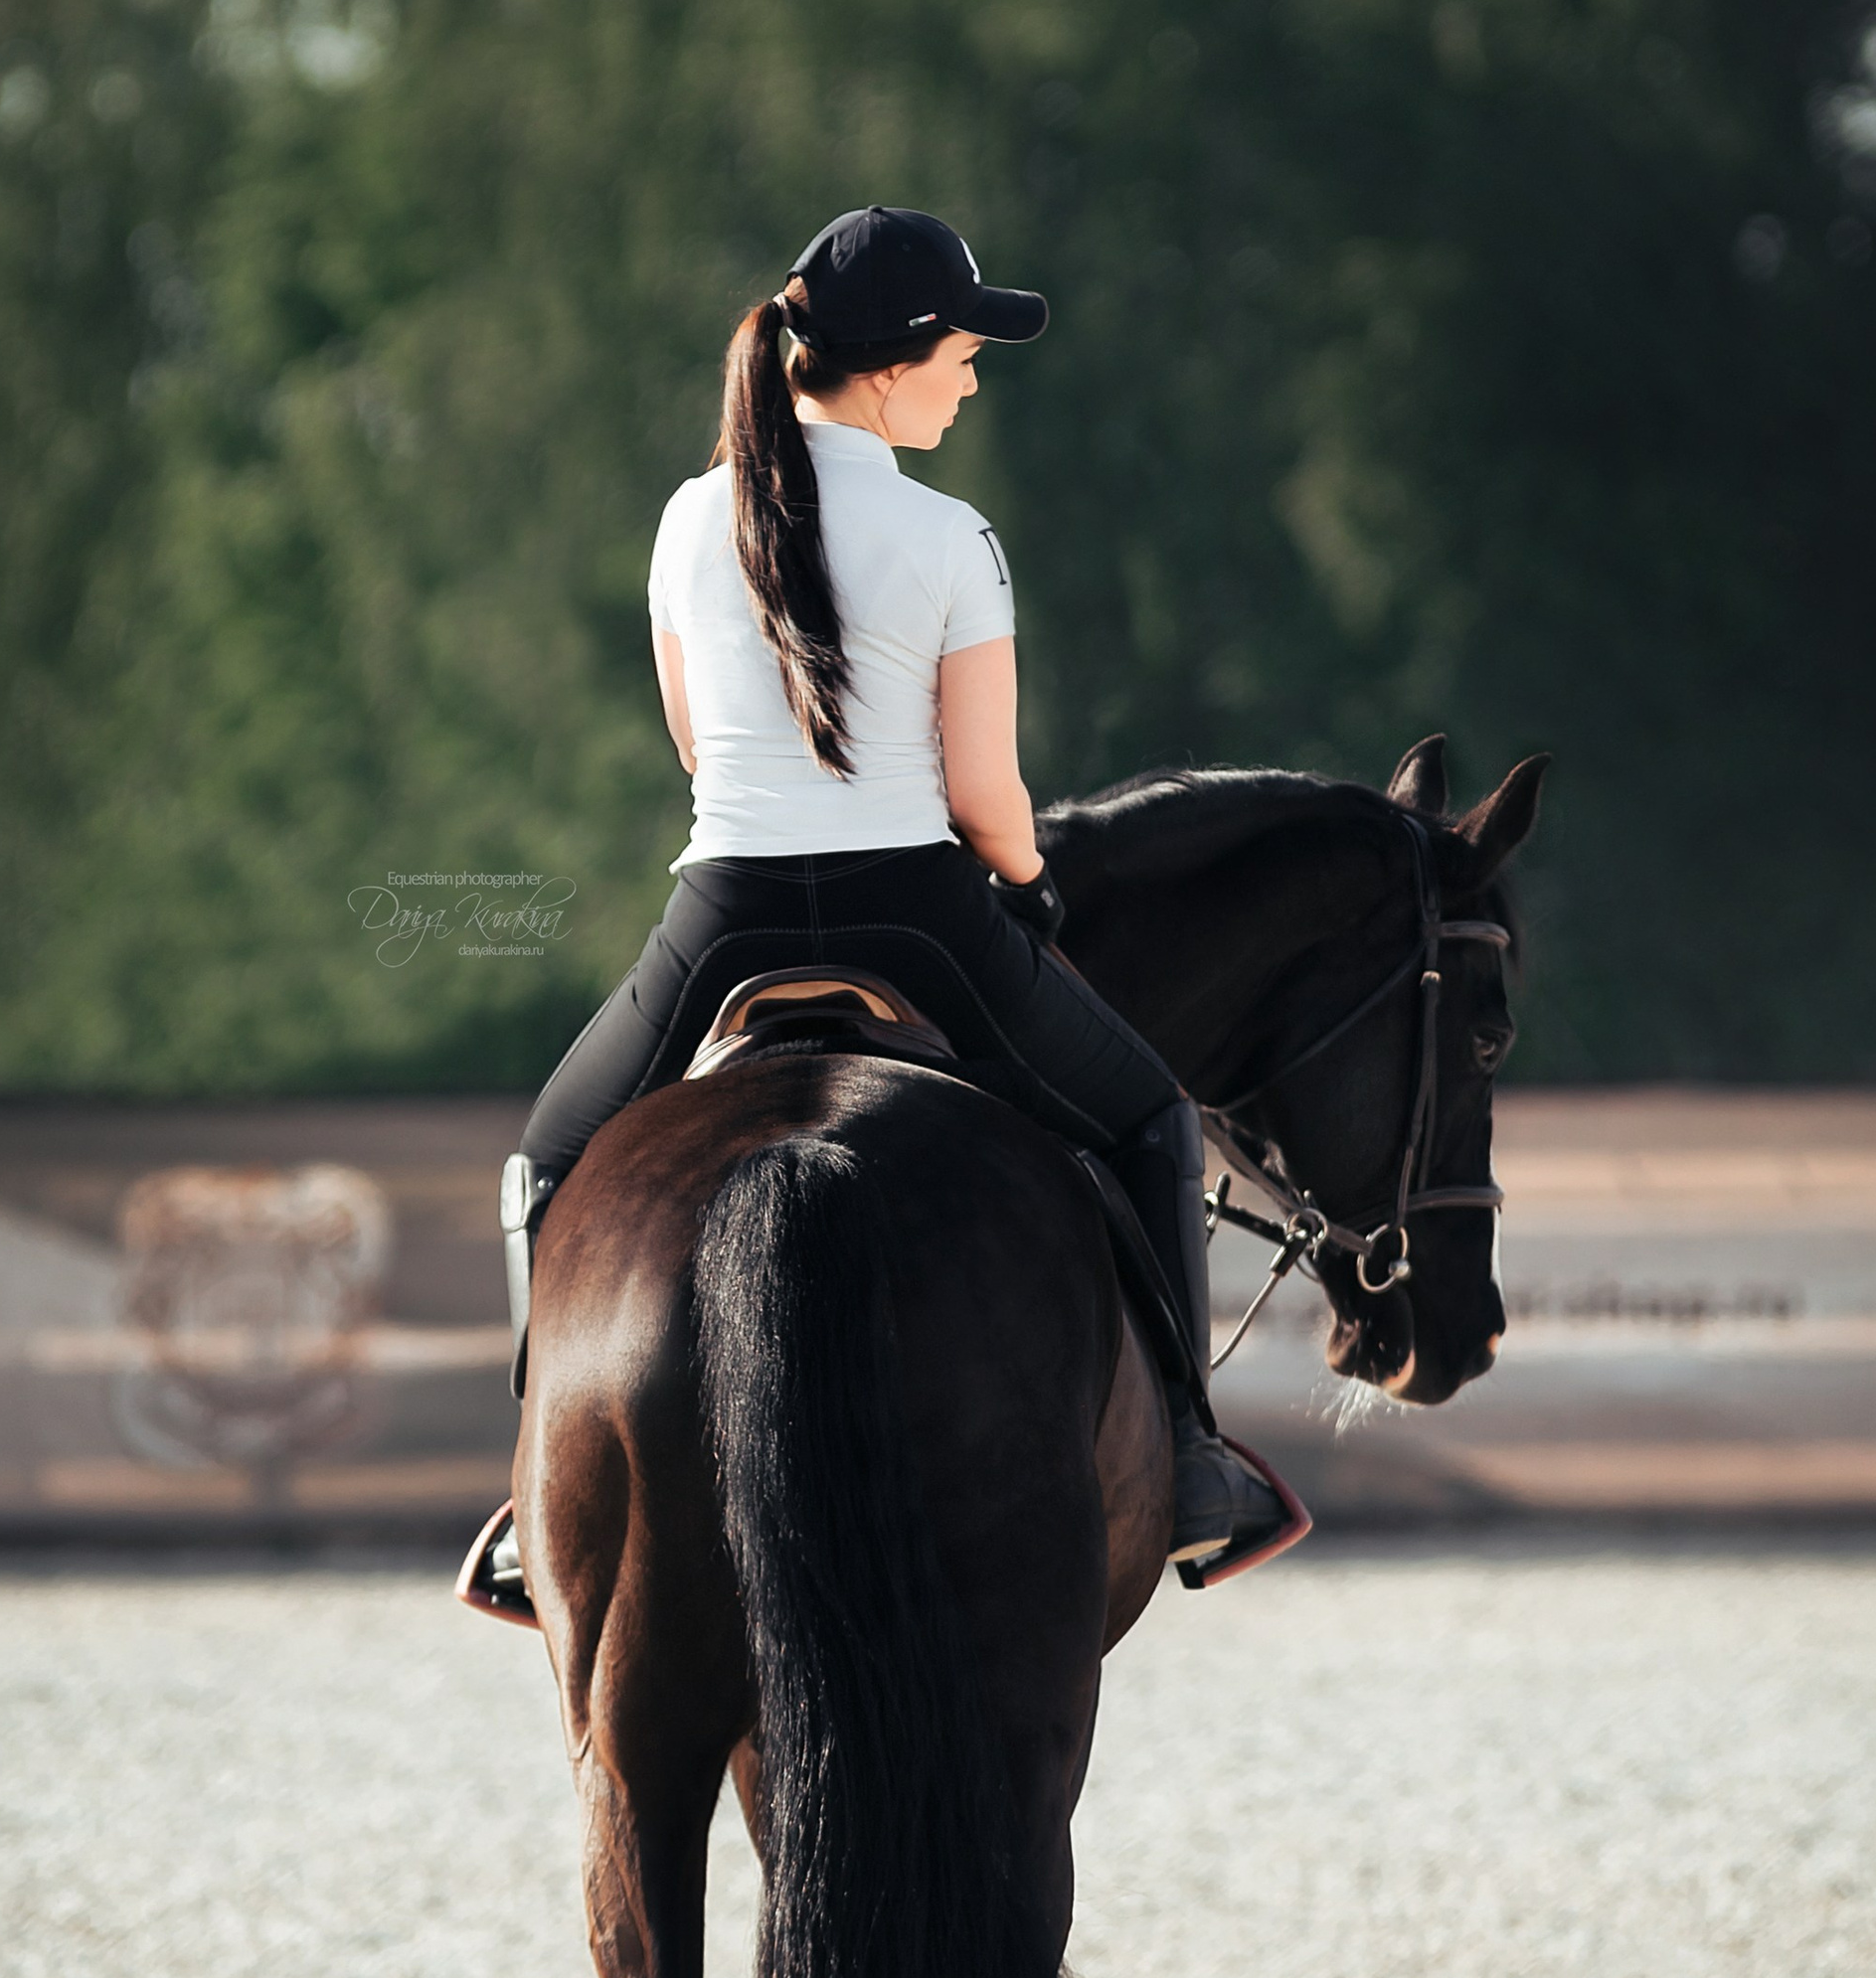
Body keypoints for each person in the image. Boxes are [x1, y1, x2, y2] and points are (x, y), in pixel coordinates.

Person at [483, 204, 1296, 1603]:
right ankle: (1192, 1451)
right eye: (967, 349)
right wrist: (1035, 895)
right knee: (1153, 1114)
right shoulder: (951, 537)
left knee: (548, 1168)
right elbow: (987, 801)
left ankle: (534, 1507)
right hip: (918, 915)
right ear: (895, 360)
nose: (976, 376)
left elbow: (696, 744)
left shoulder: (689, 519)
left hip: (722, 916)